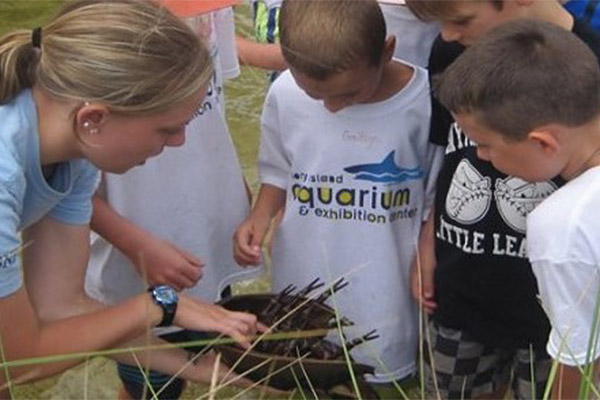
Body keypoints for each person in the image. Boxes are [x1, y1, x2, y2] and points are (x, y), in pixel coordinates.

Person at [0, 0, 261, 393]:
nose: (180, 141)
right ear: (94, 120)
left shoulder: (76, 151)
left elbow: (61, 309)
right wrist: (160, 306)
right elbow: (22, 359)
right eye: (166, 129)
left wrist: (207, 370)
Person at [233, 0, 443, 392]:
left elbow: (435, 196)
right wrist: (259, 218)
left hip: (388, 280)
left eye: (348, 93)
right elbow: (278, 170)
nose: (330, 107)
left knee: (382, 377)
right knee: (300, 367)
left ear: (387, 50)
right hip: (304, 269)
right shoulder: (285, 94)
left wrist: (428, 254)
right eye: (314, 94)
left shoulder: (425, 103)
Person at [404, 0, 600, 398]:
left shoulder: (589, 64)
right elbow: (445, 149)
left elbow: (576, 367)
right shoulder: (452, 54)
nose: (446, 34)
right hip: (464, 285)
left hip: (548, 305)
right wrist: (429, 234)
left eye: (460, 19)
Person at [84, 3, 266, 399]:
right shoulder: (104, 35)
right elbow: (72, 187)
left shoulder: (211, 13)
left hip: (207, 232)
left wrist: (234, 187)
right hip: (138, 247)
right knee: (151, 384)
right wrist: (135, 244)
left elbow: (211, 105)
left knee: (218, 348)